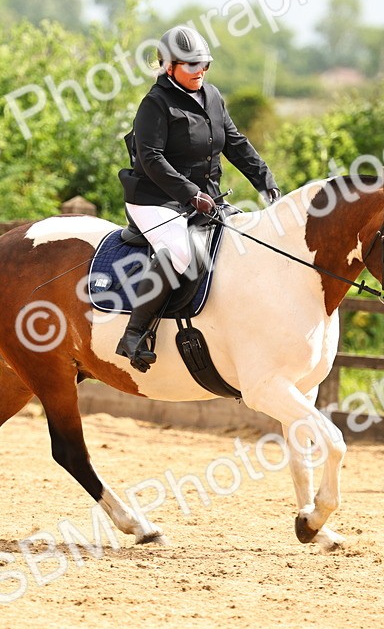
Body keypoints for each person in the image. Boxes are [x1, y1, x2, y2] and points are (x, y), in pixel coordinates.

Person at [116, 25, 281, 372]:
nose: (200, 72)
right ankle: (133, 334)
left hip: (204, 199)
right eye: (192, 66)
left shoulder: (213, 96)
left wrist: (266, 183)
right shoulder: (155, 104)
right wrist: (192, 195)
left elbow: (235, 143)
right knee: (179, 250)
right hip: (154, 199)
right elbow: (151, 159)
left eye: (204, 65)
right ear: (168, 66)